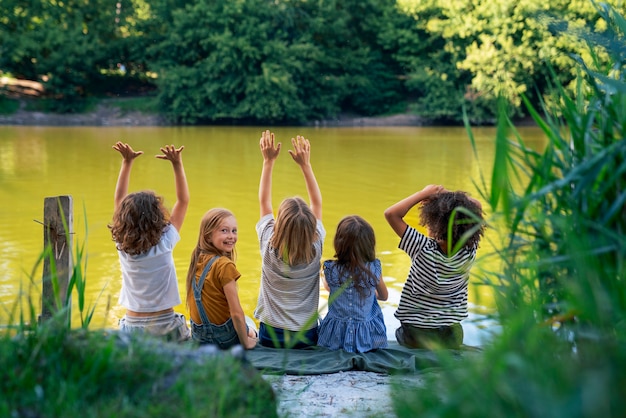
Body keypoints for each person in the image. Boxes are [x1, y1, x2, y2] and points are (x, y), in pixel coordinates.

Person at [384, 184, 484, 349]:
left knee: (403, 334)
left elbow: (391, 214)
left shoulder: (421, 247)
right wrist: (447, 196)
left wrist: (424, 193)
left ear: (436, 226)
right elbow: (476, 205)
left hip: (417, 335)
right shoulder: (469, 248)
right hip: (451, 336)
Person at [109, 141, 191, 342]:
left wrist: (127, 163)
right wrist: (177, 164)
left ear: (123, 219)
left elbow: (119, 199)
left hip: (132, 327)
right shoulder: (165, 242)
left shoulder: (122, 245)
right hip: (166, 326)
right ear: (157, 216)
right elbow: (183, 200)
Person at [255, 130, 325, 349]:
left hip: (270, 336)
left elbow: (264, 201)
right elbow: (317, 203)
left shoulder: (268, 243)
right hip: (306, 337)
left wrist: (268, 162)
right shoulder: (316, 246)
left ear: (279, 224)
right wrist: (306, 166)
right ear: (311, 227)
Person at [185, 208, 257, 350]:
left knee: (246, 324)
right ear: (208, 236)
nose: (231, 236)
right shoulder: (224, 265)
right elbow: (236, 313)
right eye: (224, 231)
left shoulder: (197, 259)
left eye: (234, 231)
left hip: (200, 338)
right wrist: (247, 343)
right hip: (223, 339)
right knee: (251, 326)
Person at [317, 215, 389, 353]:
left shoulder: (331, 268)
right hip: (368, 338)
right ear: (369, 244)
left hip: (335, 338)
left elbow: (328, 287)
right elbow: (384, 296)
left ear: (339, 244)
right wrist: (371, 291)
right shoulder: (373, 269)